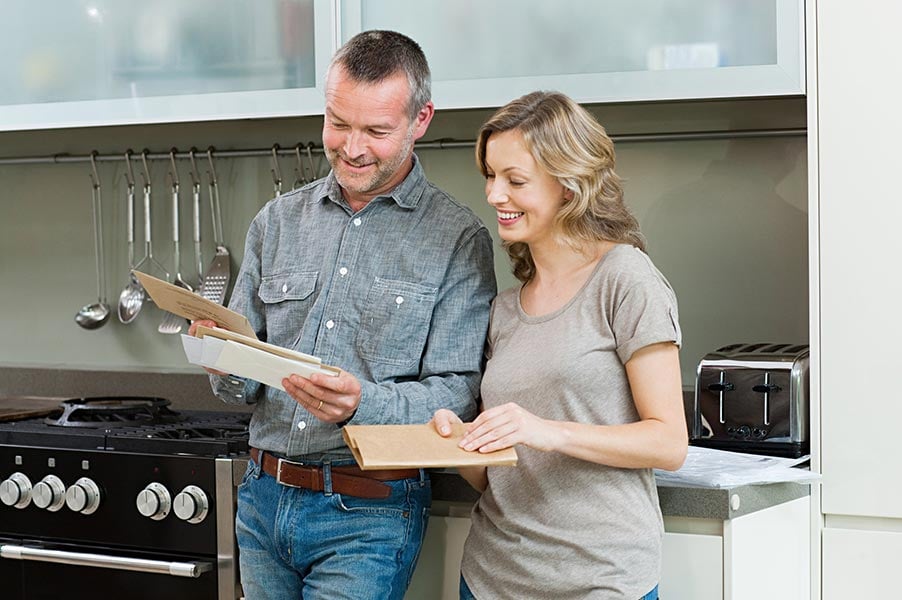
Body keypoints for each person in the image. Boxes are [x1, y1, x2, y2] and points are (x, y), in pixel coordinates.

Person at [189, 30, 496, 600]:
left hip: (368, 513)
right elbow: (238, 388)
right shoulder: (276, 222)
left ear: (420, 119)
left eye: (376, 131)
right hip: (262, 499)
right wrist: (218, 352)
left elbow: (458, 395)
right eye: (337, 122)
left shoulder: (457, 238)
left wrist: (363, 404)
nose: (352, 148)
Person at [432, 91, 687, 600]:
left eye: (515, 180)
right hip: (491, 580)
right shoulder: (505, 309)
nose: (494, 195)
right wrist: (459, 442)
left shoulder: (625, 279)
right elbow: (492, 479)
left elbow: (668, 443)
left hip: (600, 580)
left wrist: (548, 431)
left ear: (569, 186)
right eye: (490, 175)